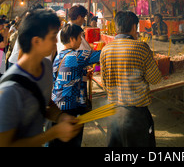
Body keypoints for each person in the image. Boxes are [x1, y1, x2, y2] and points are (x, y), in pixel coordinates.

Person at [0, 9, 81, 147]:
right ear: (36, 41)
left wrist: (61, 116)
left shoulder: (46, 65)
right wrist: (53, 133)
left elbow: (45, 103)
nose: (56, 41)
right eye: (52, 36)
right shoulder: (9, 90)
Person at [100, 11, 162, 147]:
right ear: (134, 27)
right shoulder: (141, 48)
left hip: (113, 114)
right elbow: (155, 79)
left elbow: (104, 85)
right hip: (136, 116)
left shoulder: (106, 50)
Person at [50, 24, 101, 147]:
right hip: (71, 107)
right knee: (71, 142)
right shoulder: (77, 56)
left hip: (56, 106)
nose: (80, 41)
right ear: (72, 39)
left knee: (57, 142)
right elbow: (101, 55)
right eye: (79, 37)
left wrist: (83, 73)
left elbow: (60, 77)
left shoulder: (59, 56)